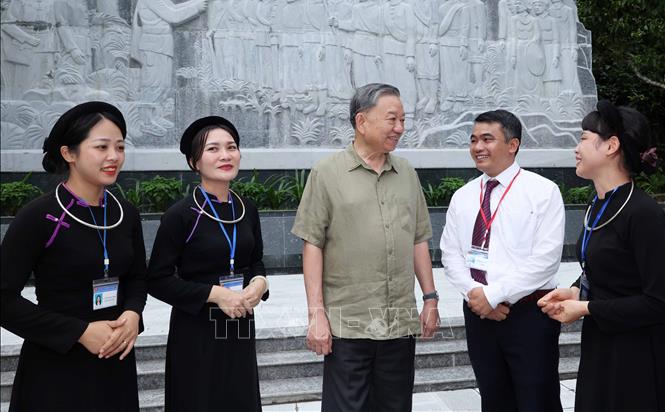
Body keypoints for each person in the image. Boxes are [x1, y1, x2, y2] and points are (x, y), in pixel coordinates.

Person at [292, 83, 439, 412]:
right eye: (392, 119)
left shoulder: (406, 173)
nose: (399, 128)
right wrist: (316, 314)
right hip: (348, 325)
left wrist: (430, 298)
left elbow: (418, 238)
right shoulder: (327, 173)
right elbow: (312, 243)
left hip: (399, 323)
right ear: (361, 121)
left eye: (403, 120)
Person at [0, 101, 147, 411]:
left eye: (120, 147)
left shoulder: (125, 214)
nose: (114, 156)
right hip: (56, 367)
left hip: (115, 363)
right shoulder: (39, 216)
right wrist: (79, 332)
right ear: (69, 153)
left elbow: (136, 277)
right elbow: (3, 299)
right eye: (102, 147)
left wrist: (133, 313)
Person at [539, 100, 665, 412]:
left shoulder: (644, 213)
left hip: (637, 357)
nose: (576, 148)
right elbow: (608, 269)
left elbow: (658, 301)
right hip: (600, 346)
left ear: (611, 146)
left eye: (583, 138)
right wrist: (575, 291)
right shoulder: (598, 204)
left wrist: (585, 307)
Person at [440, 109, 565, 412]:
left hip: (528, 314)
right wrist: (476, 295)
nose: (478, 147)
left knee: (537, 400)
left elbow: (546, 260)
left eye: (487, 139)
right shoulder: (464, 196)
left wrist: (495, 295)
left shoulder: (542, 191)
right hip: (479, 314)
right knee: (493, 399)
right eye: (473, 140)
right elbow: (450, 253)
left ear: (513, 145)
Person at [147, 116, 269, 412]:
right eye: (213, 149)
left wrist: (259, 283)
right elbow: (158, 279)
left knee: (240, 397)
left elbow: (255, 261)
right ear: (195, 162)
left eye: (231, 147)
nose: (225, 155)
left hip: (239, 323)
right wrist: (215, 294)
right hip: (197, 328)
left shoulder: (246, 209)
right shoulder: (180, 215)